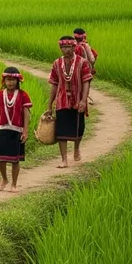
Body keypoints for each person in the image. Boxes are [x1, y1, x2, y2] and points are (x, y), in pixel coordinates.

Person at [48, 36, 93, 168]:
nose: (65, 50)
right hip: (62, 100)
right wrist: (50, 103)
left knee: (79, 128)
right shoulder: (57, 63)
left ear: (74, 47)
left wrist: (84, 100)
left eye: (68, 47)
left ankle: (76, 148)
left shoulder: (82, 62)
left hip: (78, 99)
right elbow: (54, 84)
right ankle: (64, 160)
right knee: (61, 131)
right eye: (63, 47)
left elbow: (86, 82)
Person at [0, 67, 32, 192]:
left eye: (13, 80)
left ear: (17, 81)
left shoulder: (23, 95)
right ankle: (4, 179)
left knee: (15, 160)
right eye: (8, 80)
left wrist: (25, 131)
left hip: (17, 130)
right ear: (4, 81)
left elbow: (26, 114)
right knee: (1, 159)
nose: (11, 82)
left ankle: (14, 183)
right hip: (3, 129)